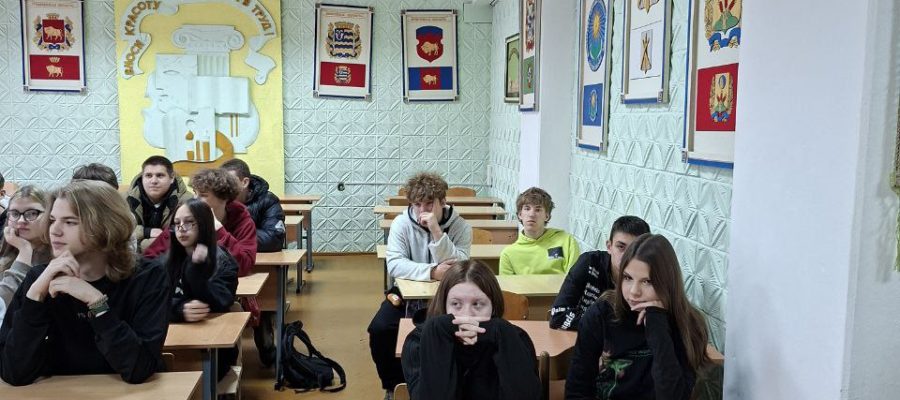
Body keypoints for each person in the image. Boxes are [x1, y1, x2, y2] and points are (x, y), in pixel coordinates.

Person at [0, 180, 169, 385]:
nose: (55, 230)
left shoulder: (148, 276)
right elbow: (13, 373)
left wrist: (96, 302)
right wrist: (34, 297)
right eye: (52, 220)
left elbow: (139, 368)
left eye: (70, 222)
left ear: (105, 226)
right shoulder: (40, 279)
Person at [565, 234, 710, 400]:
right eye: (627, 278)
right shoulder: (601, 313)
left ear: (667, 283)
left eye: (647, 281)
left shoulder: (687, 323)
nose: (634, 291)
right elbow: (577, 391)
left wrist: (658, 326)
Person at [368, 172, 472, 400]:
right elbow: (395, 264)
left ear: (443, 201)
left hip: (449, 295)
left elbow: (460, 266)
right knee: (380, 329)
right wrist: (432, 272)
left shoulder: (460, 226)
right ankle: (394, 385)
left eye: (429, 203)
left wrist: (437, 231)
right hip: (406, 293)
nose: (422, 210)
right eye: (417, 204)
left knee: (450, 335)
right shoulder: (401, 224)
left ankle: (452, 384)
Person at [401, 260, 541, 400]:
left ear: (493, 307)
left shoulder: (514, 337)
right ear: (444, 305)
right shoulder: (418, 341)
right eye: (456, 304)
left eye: (477, 304)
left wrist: (502, 334)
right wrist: (436, 332)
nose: (466, 314)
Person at [144, 169, 258, 321]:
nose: (195, 199)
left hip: (215, 307)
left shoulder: (241, 220)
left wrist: (219, 231)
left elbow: (244, 264)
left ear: (224, 198)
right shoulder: (181, 226)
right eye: (195, 193)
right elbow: (149, 262)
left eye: (202, 195)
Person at [164, 198, 239, 380]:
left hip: (212, 349)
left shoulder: (222, 261)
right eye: (177, 224)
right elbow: (153, 302)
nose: (181, 228)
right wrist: (178, 309)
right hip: (172, 343)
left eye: (189, 222)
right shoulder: (168, 261)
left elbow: (220, 302)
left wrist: (194, 272)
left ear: (204, 224)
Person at [221, 158, 284, 366]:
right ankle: (225, 356)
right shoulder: (219, 202)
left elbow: (274, 238)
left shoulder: (268, 200)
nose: (224, 189)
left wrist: (236, 238)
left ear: (245, 182)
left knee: (264, 298)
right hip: (227, 266)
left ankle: (267, 346)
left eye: (229, 182)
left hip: (255, 268)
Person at [550, 216, 650, 330]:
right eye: (621, 247)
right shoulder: (589, 262)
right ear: (609, 247)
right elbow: (558, 316)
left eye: (634, 249)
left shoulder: (651, 279)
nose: (626, 256)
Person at [499, 187, 580, 275]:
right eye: (527, 209)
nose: (531, 214)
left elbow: (575, 279)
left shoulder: (567, 241)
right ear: (520, 215)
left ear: (547, 216)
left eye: (538, 210)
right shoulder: (508, 254)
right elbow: (507, 283)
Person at [0, 186, 53, 308]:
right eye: (15, 214)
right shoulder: (4, 260)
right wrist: (24, 250)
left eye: (32, 213)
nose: (21, 220)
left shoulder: (60, 258)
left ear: (49, 216)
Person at [127, 156, 192, 251]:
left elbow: (188, 236)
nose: (154, 181)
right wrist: (146, 232)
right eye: (148, 176)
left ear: (172, 178)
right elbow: (119, 232)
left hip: (174, 257)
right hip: (132, 257)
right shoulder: (125, 199)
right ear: (142, 177)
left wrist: (144, 244)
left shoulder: (188, 201)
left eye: (160, 175)